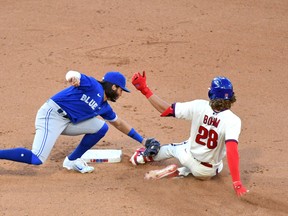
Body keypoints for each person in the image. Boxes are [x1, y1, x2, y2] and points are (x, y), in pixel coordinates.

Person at [0, 70, 148, 173]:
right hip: (51, 116)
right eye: (121, 90)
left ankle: (72, 160)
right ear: (114, 86)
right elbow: (72, 73)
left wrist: (143, 141)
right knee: (36, 158)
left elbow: (119, 123)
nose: (121, 94)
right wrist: (72, 78)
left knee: (101, 128)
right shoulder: (93, 85)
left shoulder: (104, 107)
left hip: (68, 122)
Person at [129, 71, 249, 197]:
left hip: (187, 155)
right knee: (218, 165)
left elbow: (165, 109)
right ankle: (182, 172)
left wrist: (145, 90)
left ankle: (142, 157)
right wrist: (237, 183)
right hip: (206, 172)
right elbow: (232, 151)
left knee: (173, 148)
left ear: (211, 94)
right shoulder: (233, 120)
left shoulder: (199, 106)